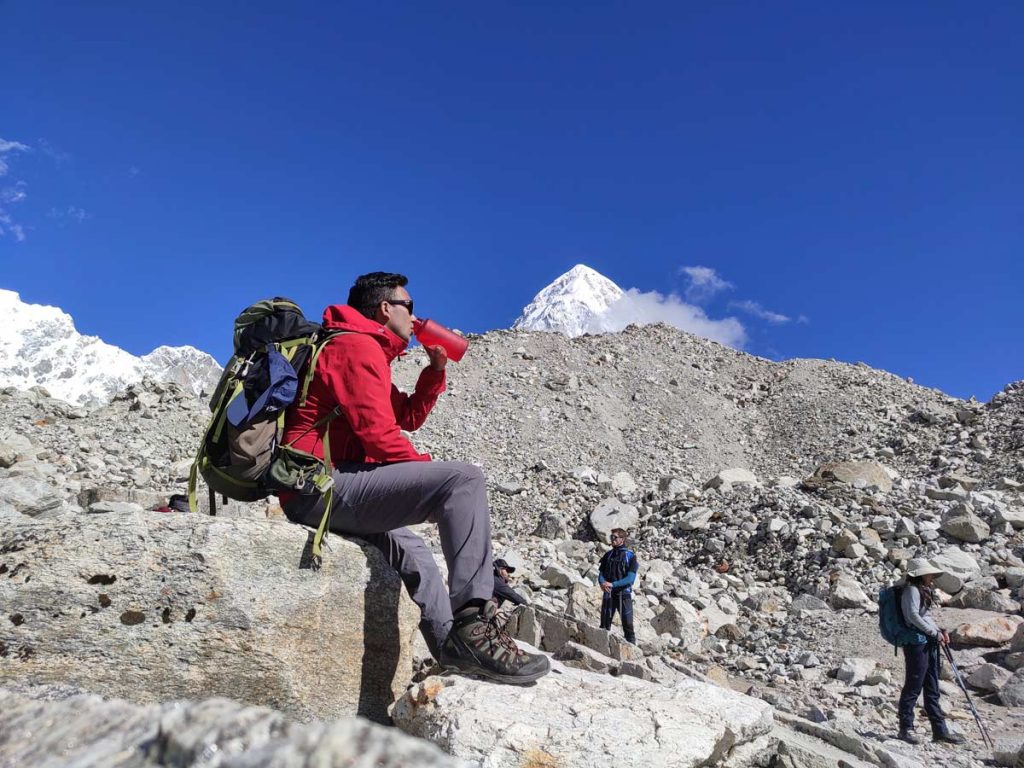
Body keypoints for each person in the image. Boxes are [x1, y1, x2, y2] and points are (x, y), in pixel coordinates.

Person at [278, 272, 549, 685]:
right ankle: (474, 625)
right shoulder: (354, 347)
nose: (416, 317)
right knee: (463, 480)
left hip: (328, 487)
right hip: (321, 486)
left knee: (417, 555)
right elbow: (380, 437)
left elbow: (405, 416)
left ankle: (454, 651)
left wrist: (435, 370)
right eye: (410, 307)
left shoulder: (358, 348)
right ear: (386, 309)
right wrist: (429, 474)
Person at [897, 558, 965, 745]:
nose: (932, 576)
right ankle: (906, 728)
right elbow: (912, 616)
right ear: (920, 574)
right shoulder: (911, 590)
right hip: (916, 644)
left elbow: (925, 616)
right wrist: (933, 632)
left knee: (932, 686)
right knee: (914, 685)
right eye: (929, 573)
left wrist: (939, 631)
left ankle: (939, 730)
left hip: (928, 641)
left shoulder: (922, 590)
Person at [597, 528, 638, 644]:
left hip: (623, 594)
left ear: (622, 539)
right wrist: (602, 583)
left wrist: (613, 584)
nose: (612, 540)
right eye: (611, 537)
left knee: (628, 624)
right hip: (608, 593)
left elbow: (630, 578)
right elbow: (601, 573)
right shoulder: (608, 555)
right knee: (604, 624)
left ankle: (632, 650)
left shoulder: (630, 556)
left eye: (615, 537)